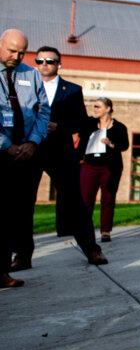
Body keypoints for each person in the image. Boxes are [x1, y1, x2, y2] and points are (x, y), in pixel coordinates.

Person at [23, 45, 107, 268]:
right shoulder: (23, 87)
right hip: (30, 149)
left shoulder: (71, 90)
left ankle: (92, 249)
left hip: (59, 151)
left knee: (74, 201)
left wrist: (58, 126)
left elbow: (81, 122)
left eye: (50, 61)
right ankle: (22, 256)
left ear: (59, 64)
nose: (44, 65)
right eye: (40, 61)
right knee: (23, 202)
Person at [1, 29, 50, 289]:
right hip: (1, 152)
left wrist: (33, 142)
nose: (16, 56)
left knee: (13, 214)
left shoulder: (30, 74)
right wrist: (5, 145)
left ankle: (2, 270)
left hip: (26, 155)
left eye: (21, 52)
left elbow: (43, 111)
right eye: (11, 50)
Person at [78, 96, 129, 243]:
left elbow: (124, 145)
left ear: (107, 109)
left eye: (97, 106)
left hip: (110, 167)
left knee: (108, 198)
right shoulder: (89, 124)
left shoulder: (119, 127)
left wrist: (110, 143)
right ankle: (85, 231)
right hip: (90, 166)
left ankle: (105, 231)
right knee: (86, 199)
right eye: (93, 106)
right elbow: (78, 125)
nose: (94, 109)